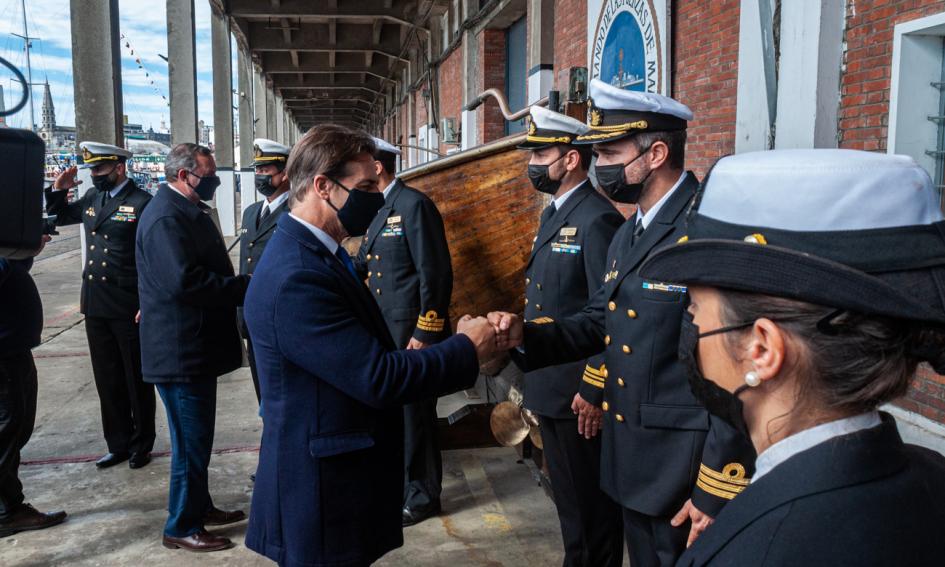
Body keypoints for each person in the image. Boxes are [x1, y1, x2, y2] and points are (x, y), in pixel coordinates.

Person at [490, 79, 755, 567]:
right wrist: (524, 336)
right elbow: (598, 321)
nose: (600, 164)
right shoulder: (631, 229)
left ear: (655, 153)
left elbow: (736, 369)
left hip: (685, 466)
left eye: (610, 151)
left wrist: (719, 483)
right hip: (631, 453)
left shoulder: (704, 231)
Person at [636, 149, 945, 566]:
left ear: (761, 349)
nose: (689, 325)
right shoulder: (931, 476)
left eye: (694, 309)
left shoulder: (748, 552)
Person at [243, 124, 497, 567]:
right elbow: (378, 377)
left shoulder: (317, 253)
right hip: (320, 493)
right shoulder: (298, 276)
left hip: (332, 480)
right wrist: (466, 347)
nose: (375, 197)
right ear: (322, 186)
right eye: (362, 187)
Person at [517, 106, 624, 567]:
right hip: (551, 383)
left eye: (542, 154)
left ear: (571, 159)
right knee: (569, 505)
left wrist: (592, 386)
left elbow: (610, 315)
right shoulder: (556, 214)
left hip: (577, 393)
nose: (534, 164)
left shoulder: (597, 219)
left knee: (590, 511)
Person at [136, 143, 250, 552]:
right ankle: (181, 525)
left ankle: (198, 506)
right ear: (184, 176)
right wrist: (242, 288)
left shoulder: (183, 210)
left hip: (194, 349)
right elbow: (184, 282)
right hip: (182, 353)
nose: (214, 181)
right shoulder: (167, 216)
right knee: (189, 444)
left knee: (198, 440)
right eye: (209, 175)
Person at [353, 136, 453, 527]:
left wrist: (427, 332)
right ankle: (402, 486)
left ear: (377, 166)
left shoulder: (415, 205)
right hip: (386, 333)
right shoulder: (380, 210)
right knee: (395, 416)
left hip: (412, 334)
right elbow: (364, 263)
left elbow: (436, 274)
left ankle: (424, 495)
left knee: (417, 417)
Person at [46, 142, 156, 470]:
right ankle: (118, 443)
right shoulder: (94, 198)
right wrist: (57, 190)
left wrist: (148, 301)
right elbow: (63, 216)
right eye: (92, 169)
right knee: (107, 378)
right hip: (95, 304)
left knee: (135, 379)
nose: (94, 175)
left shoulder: (141, 203)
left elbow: (152, 258)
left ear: (118, 168)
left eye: (99, 169)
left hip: (127, 304)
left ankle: (141, 444)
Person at [0, 238, 68, 538]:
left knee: (18, 424)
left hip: (14, 344)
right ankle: (7, 511)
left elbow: (11, 270)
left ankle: (9, 505)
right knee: (8, 425)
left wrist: (24, 254)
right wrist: (12, 254)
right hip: (3, 350)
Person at [238, 138, 292, 403]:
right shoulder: (250, 213)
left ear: (286, 172)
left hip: (282, 318)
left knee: (284, 393)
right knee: (263, 394)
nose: (259, 176)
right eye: (257, 170)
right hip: (252, 318)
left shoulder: (296, 211)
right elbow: (245, 263)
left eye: (265, 170)